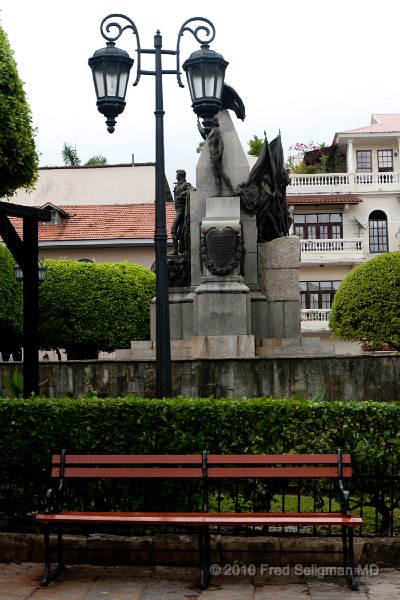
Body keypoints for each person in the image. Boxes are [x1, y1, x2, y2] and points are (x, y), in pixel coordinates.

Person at [207, 116, 235, 196]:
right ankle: (219, 192)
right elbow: (204, 135)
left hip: (216, 154)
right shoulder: (212, 131)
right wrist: (199, 126)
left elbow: (221, 142)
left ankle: (232, 190)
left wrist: (220, 153)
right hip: (212, 155)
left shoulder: (216, 130)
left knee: (221, 173)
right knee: (216, 175)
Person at [170, 169, 193, 255]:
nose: (176, 177)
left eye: (177, 175)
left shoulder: (185, 184)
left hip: (182, 211)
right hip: (178, 211)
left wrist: (183, 193)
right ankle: (180, 249)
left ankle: (176, 250)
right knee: (180, 231)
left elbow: (192, 189)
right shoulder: (177, 186)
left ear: (180, 176)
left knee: (173, 229)